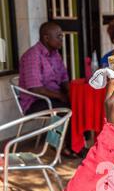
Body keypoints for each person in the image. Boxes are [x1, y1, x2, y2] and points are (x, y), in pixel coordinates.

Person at [19, 21, 76, 157]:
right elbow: (35, 89)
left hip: (51, 96)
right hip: (35, 102)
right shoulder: (32, 56)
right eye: (58, 36)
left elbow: (63, 78)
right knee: (65, 108)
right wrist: (60, 96)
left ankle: (76, 145)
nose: (61, 39)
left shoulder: (55, 54)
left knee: (78, 103)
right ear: (46, 38)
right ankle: (58, 146)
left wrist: (70, 92)